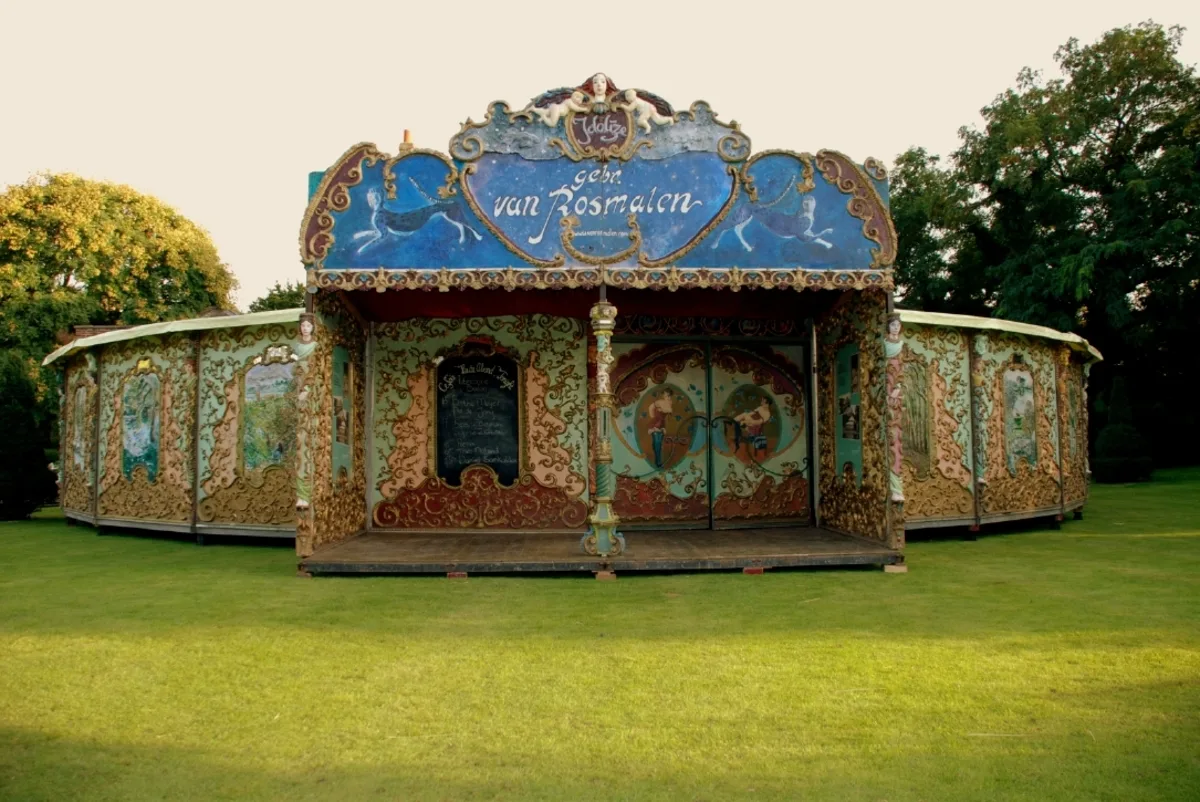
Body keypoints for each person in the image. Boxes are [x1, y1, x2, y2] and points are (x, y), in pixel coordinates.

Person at [647, 388, 674, 468]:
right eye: (666, 395)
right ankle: (658, 462)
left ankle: (658, 460)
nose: (667, 397)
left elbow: (669, 412)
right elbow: (651, 407)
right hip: (656, 423)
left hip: (662, 424)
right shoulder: (660, 402)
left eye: (669, 396)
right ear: (663, 395)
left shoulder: (669, 402)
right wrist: (653, 416)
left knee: (658, 442)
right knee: (657, 442)